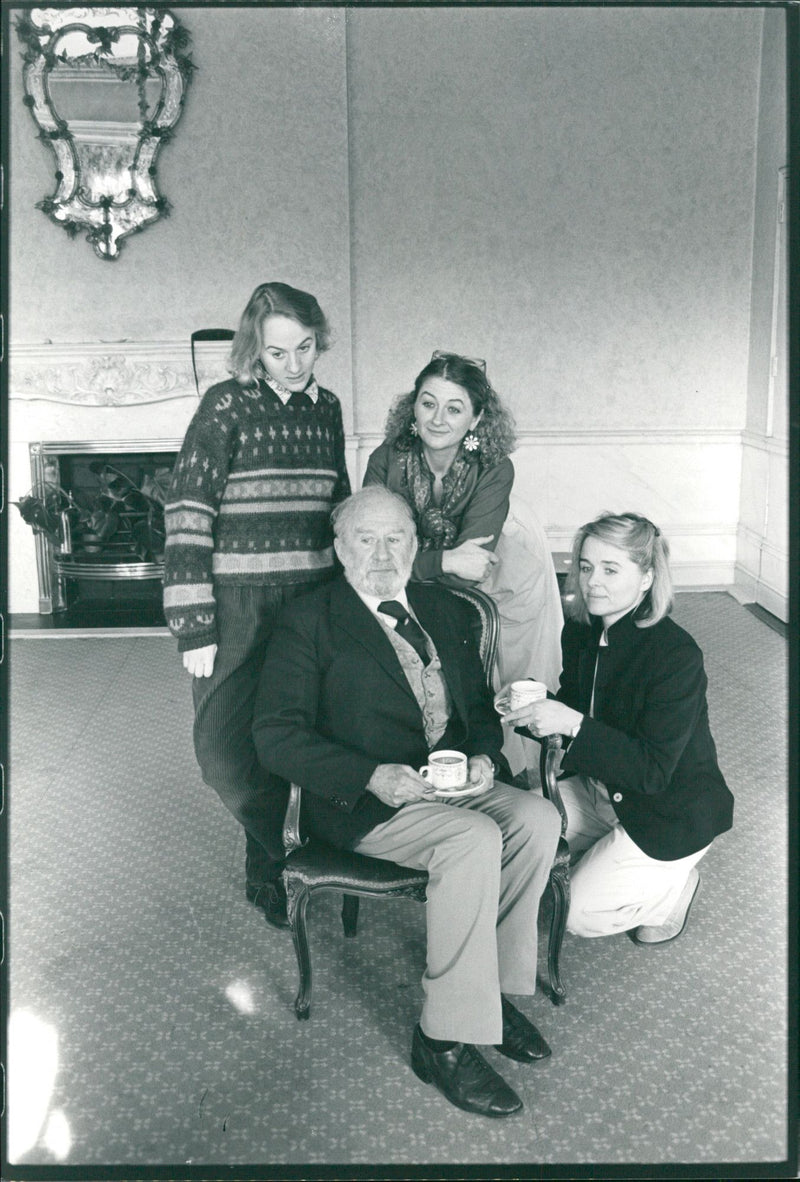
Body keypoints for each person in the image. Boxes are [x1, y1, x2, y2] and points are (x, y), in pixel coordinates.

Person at [252, 486, 561, 1118]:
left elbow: (477, 713)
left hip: (449, 787)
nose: (382, 552)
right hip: (367, 805)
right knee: (471, 840)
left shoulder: (442, 609)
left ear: (417, 545)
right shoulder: (308, 620)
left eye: (397, 537)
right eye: (366, 538)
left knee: (537, 817)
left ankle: (490, 998)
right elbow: (275, 737)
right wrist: (369, 775)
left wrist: (482, 757)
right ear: (340, 548)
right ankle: (442, 1038)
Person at [163, 282, 351, 927]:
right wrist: (193, 622)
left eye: (304, 348)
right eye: (278, 352)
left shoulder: (327, 408)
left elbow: (340, 508)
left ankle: (267, 874)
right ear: (254, 349)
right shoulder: (224, 406)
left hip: (313, 598)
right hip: (238, 603)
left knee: (296, 738)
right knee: (223, 751)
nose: (294, 363)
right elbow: (188, 511)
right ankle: (297, 854)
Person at [496, 512, 734, 945]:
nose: (591, 582)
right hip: (599, 790)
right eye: (585, 567)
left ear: (646, 578)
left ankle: (677, 886)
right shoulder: (583, 631)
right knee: (512, 832)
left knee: (576, 913)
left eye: (610, 569)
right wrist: (534, 704)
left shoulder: (676, 656)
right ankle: (611, 856)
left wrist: (570, 722)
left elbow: (652, 771)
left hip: (667, 811)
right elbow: (573, 711)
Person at [363, 351, 563, 778]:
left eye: (454, 409)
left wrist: (436, 561)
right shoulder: (386, 458)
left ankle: (507, 758)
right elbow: (371, 551)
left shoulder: (494, 468)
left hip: (499, 569)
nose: (438, 418)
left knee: (509, 648)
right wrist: (446, 558)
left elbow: (472, 568)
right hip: (428, 563)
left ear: (475, 420)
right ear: (412, 407)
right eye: (428, 403)